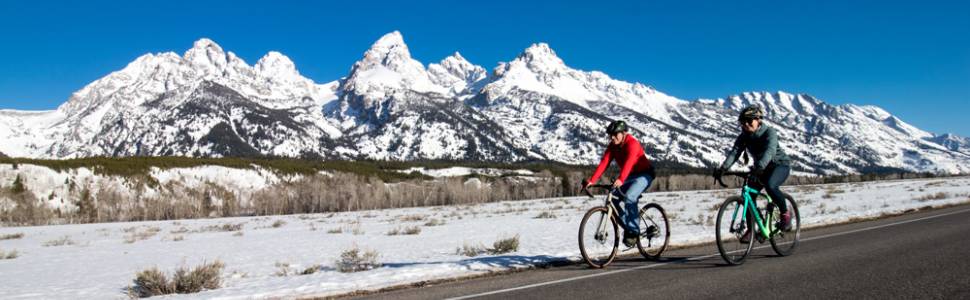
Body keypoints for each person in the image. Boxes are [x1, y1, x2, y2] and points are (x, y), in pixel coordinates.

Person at [715, 104, 793, 242]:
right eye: (742, 122)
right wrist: (723, 169)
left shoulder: (770, 132)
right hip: (760, 168)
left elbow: (770, 150)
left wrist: (760, 166)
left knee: (770, 186)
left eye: (749, 121)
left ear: (759, 120)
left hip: (779, 165)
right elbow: (735, 153)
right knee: (749, 196)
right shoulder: (743, 137)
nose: (746, 124)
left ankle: (785, 214)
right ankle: (752, 229)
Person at [584, 120, 656, 248]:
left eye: (615, 134)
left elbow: (629, 163)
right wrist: (591, 181)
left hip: (645, 174)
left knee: (629, 197)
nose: (612, 137)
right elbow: (604, 163)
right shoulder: (612, 146)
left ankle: (633, 231)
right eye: (610, 135)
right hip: (629, 176)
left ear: (623, 133)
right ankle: (629, 227)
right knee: (614, 199)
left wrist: (621, 179)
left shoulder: (632, 143)